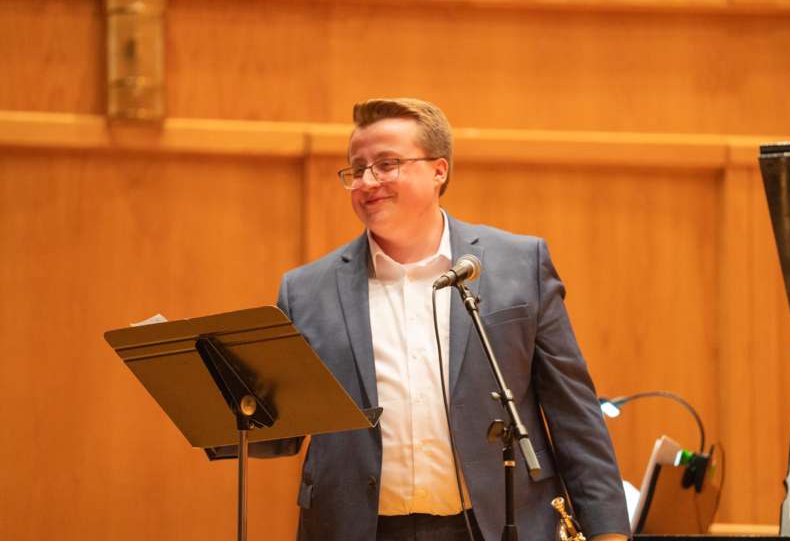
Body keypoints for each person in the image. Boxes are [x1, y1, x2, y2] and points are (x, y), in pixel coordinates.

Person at [247, 98, 630, 540]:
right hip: (359, 529)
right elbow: (279, 429)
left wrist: (608, 532)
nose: (367, 182)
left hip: (497, 525)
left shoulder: (518, 265)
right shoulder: (305, 290)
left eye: (386, 163)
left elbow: (574, 414)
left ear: (438, 170)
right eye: (357, 168)